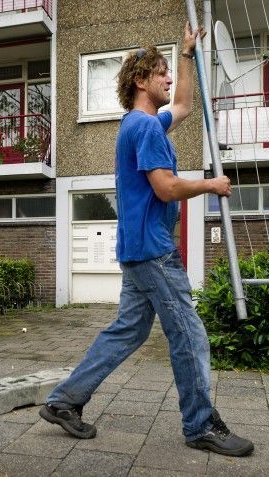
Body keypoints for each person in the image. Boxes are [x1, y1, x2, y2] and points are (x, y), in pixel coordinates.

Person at [39, 23, 254, 457]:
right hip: (154, 251)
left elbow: (186, 106)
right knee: (190, 336)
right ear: (141, 81)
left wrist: (189, 56)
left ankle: (64, 401)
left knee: (127, 332)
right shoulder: (147, 129)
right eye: (161, 72)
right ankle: (201, 426)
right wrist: (210, 185)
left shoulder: (140, 124)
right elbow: (166, 188)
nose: (168, 78)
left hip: (136, 249)